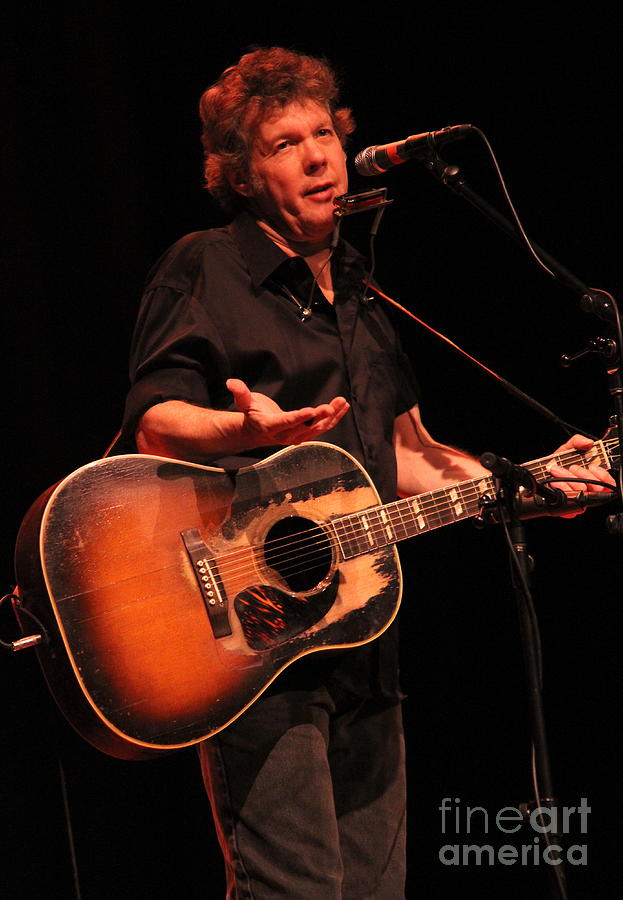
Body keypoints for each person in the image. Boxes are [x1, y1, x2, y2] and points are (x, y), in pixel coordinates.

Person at [120, 47, 613, 899]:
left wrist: (532, 486)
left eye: (323, 133)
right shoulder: (206, 265)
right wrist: (243, 428)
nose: (317, 156)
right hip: (248, 641)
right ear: (240, 176)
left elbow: (413, 460)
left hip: (362, 641)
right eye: (283, 144)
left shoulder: (364, 295)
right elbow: (154, 421)